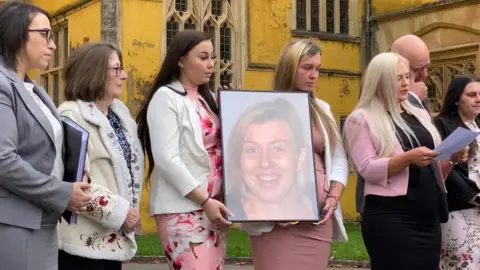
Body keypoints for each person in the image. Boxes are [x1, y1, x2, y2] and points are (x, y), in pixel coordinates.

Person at [343, 52, 467, 269]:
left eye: (407, 77)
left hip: (427, 216)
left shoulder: (419, 114)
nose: (405, 83)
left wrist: (452, 159)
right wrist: (407, 158)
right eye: (397, 78)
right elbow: (367, 169)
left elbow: (431, 168)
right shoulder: (361, 119)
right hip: (392, 216)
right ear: (380, 80)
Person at [240, 39, 349, 270]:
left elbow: (338, 158)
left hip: (317, 221)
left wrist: (334, 196)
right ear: (290, 68)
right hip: (274, 222)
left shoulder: (323, 109)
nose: (314, 75)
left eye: (318, 69)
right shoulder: (264, 108)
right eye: (307, 67)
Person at [0, 2, 92, 269]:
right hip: (16, 223)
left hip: (42, 218)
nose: (53, 45)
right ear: (19, 35)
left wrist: (74, 174)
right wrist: (62, 192)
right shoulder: (3, 86)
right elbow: (4, 161)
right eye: (45, 34)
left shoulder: (33, 89)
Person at [136, 30, 232, 270]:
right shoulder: (166, 98)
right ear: (180, 60)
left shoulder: (206, 100)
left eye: (212, 57)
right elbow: (167, 159)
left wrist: (233, 108)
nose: (211, 64)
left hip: (214, 209)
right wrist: (205, 200)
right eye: (202, 57)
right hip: (184, 208)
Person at [57, 42, 144, 270]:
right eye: (116, 69)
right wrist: (122, 211)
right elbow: (75, 183)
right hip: (83, 242)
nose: (124, 75)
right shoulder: (71, 115)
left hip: (112, 238)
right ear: (94, 72)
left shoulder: (120, 114)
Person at [356, 34, 431, 216]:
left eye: (427, 66)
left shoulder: (418, 97)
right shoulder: (369, 108)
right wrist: (412, 97)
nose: (425, 75)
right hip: (388, 203)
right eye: (417, 69)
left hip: (423, 199)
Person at [225, 98, 318, 221]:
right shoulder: (228, 210)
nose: (265, 163)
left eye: (277, 149)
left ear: (301, 158)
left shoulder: (319, 200)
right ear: (238, 160)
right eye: (252, 150)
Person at [433, 75, 480, 269]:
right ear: (456, 99)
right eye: (472, 95)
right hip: (460, 208)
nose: (478, 99)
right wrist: (475, 197)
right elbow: (443, 167)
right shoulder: (442, 125)